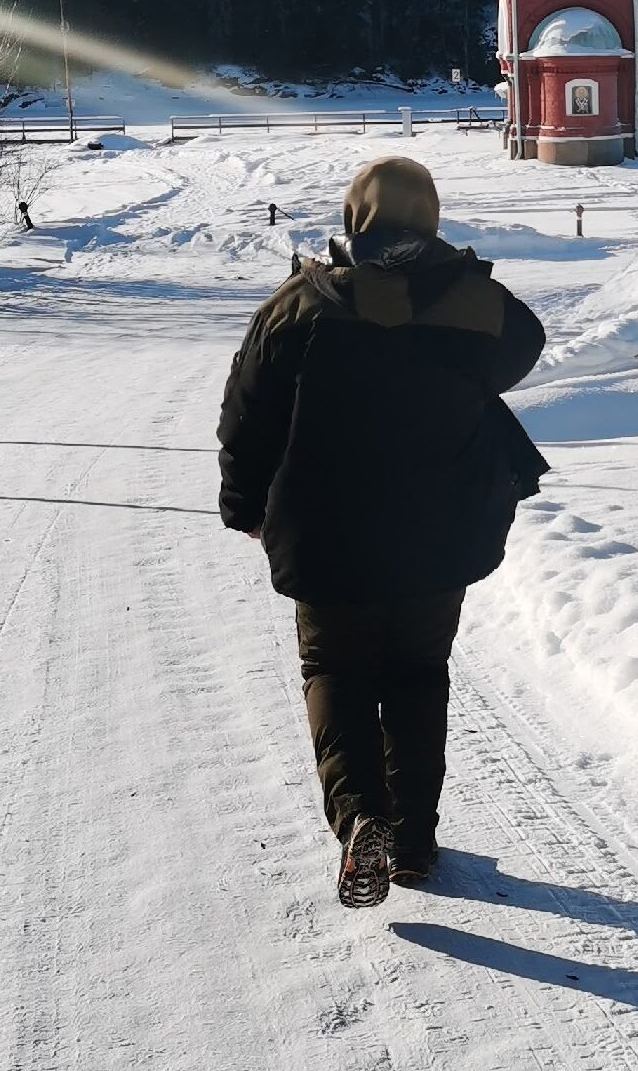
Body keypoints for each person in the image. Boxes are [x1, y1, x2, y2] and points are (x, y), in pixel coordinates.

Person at [218, 157, 549, 908]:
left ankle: (362, 815)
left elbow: (246, 411)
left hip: (327, 533)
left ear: (354, 218)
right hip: (436, 541)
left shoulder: (303, 303)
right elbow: (525, 340)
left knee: (334, 669)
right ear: (430, 217)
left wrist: (243, 502)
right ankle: (415, 840)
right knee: (416, 675)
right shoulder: (469, 304)